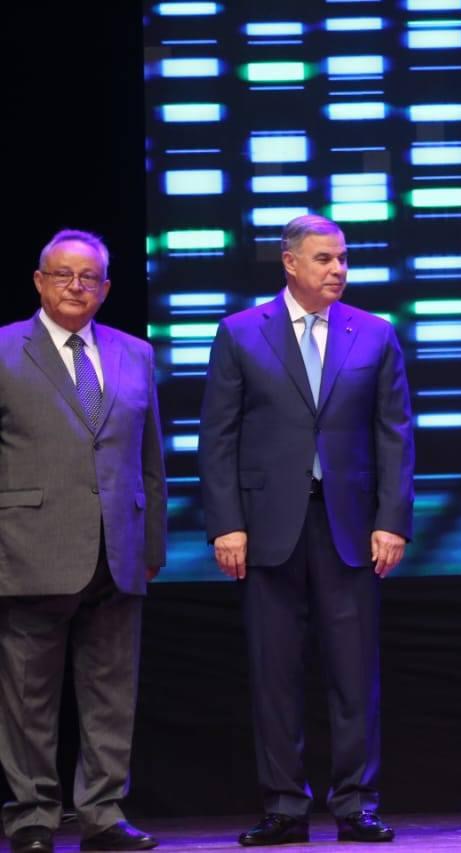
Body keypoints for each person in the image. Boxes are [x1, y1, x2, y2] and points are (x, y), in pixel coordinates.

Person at [198, 214, 414, 846]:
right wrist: (226, 523)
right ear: (289, 263)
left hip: (350, 526)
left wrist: (392, 520)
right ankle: (284, 808)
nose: (338, 269)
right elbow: (218, 436)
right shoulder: (241, 332)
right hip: (268, 526)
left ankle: (356, 804)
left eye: (343, 258)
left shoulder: (374, 333)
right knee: (274, 674)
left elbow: (395, 435)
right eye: (324, 258)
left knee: (354, 673)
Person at [0, 230, 166, 853]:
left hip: (118, 551)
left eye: (89, 277)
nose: (76, 286)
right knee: (28, 696)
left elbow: (151, 460)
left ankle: (102, 814)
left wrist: (152, 545)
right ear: (39, 281)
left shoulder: (135, 353)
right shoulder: (4, 349)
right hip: (28, 549)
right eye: (63, 274)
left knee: (111, 693)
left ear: (106, 287)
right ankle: (32, 817)